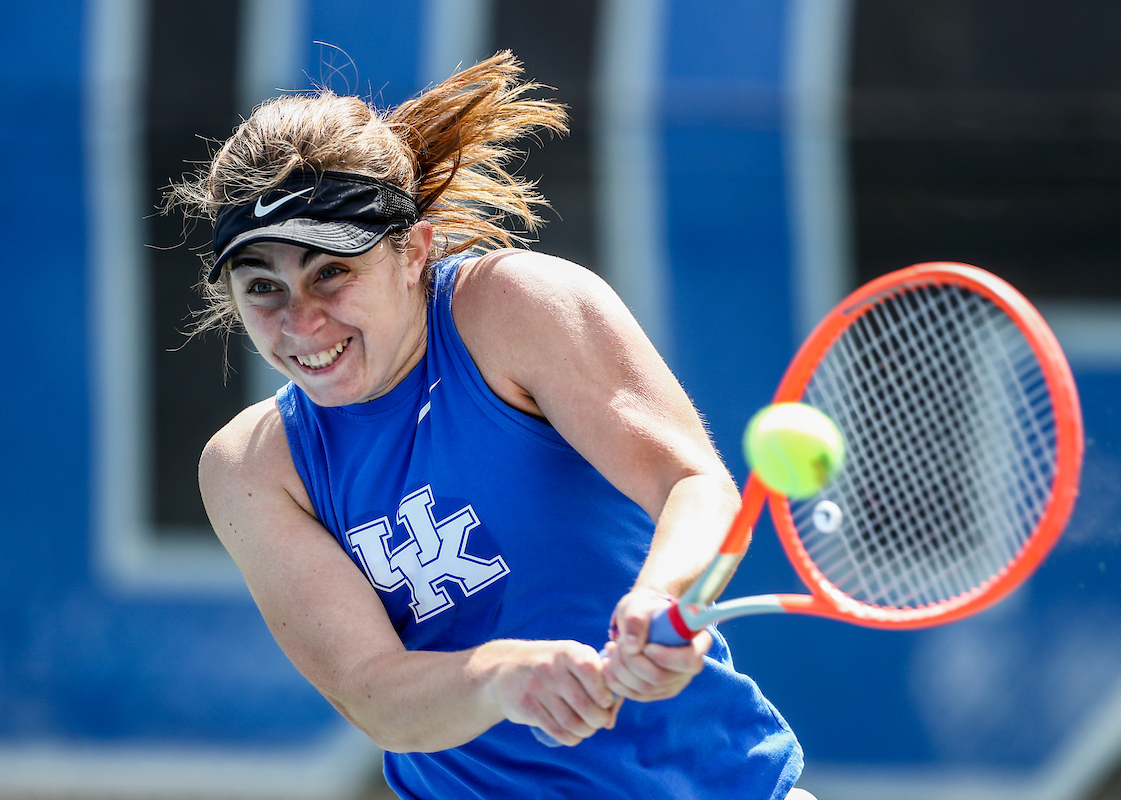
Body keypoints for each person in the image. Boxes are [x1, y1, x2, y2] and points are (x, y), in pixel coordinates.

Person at [168, 51, 807, 799]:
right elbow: (374, 694)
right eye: (263, 287)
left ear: (414, 250)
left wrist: (661, 598)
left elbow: (691, 484)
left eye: (331, 272)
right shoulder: (250, 469)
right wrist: (506, 678)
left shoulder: (515, 308)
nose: (300, 321)